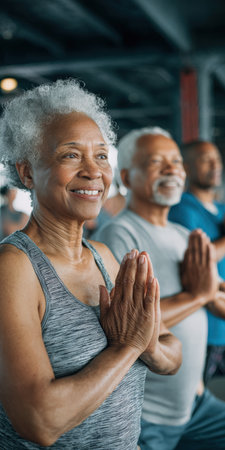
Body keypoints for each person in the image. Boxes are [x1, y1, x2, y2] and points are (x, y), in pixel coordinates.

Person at [0, 81, 181, 449]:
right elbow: (40, 421)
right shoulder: (14, 268)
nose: (93, 171)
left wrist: (147, 346)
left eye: (101, 155)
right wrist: (128, 348)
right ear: (28, 172)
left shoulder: (104, 257)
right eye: (71, 155)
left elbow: (170, 351)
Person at [93, 127, 225, 450]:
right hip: (146, 415)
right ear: (125, 176)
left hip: (194, 405)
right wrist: (198, 296)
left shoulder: (182, 235)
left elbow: (214, 292)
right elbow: (128, 321)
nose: (172, 169)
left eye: (176, 161)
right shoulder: (118, 235)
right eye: (156, 162)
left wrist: (207, 295)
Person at [169, 140, 225, 383]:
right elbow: (195, 262)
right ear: (187, 169)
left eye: (217, 159)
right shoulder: (181, 209)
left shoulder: (221, 209)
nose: (215, 165)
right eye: (205, 159)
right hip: (206, 330)